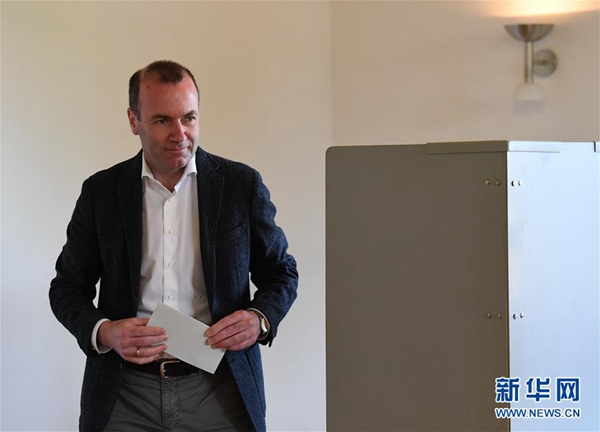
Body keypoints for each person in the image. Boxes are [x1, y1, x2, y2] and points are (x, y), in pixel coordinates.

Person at [49, 60, 298, 432]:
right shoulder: (101, 192)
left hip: (221, 390)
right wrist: (105, 331)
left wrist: (259, 319)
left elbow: (281, 272)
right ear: (133, 121)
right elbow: (67, 287)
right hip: (124, 394)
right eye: (162, 120)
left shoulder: (240, 185)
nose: (179, 134)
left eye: (189, 118)